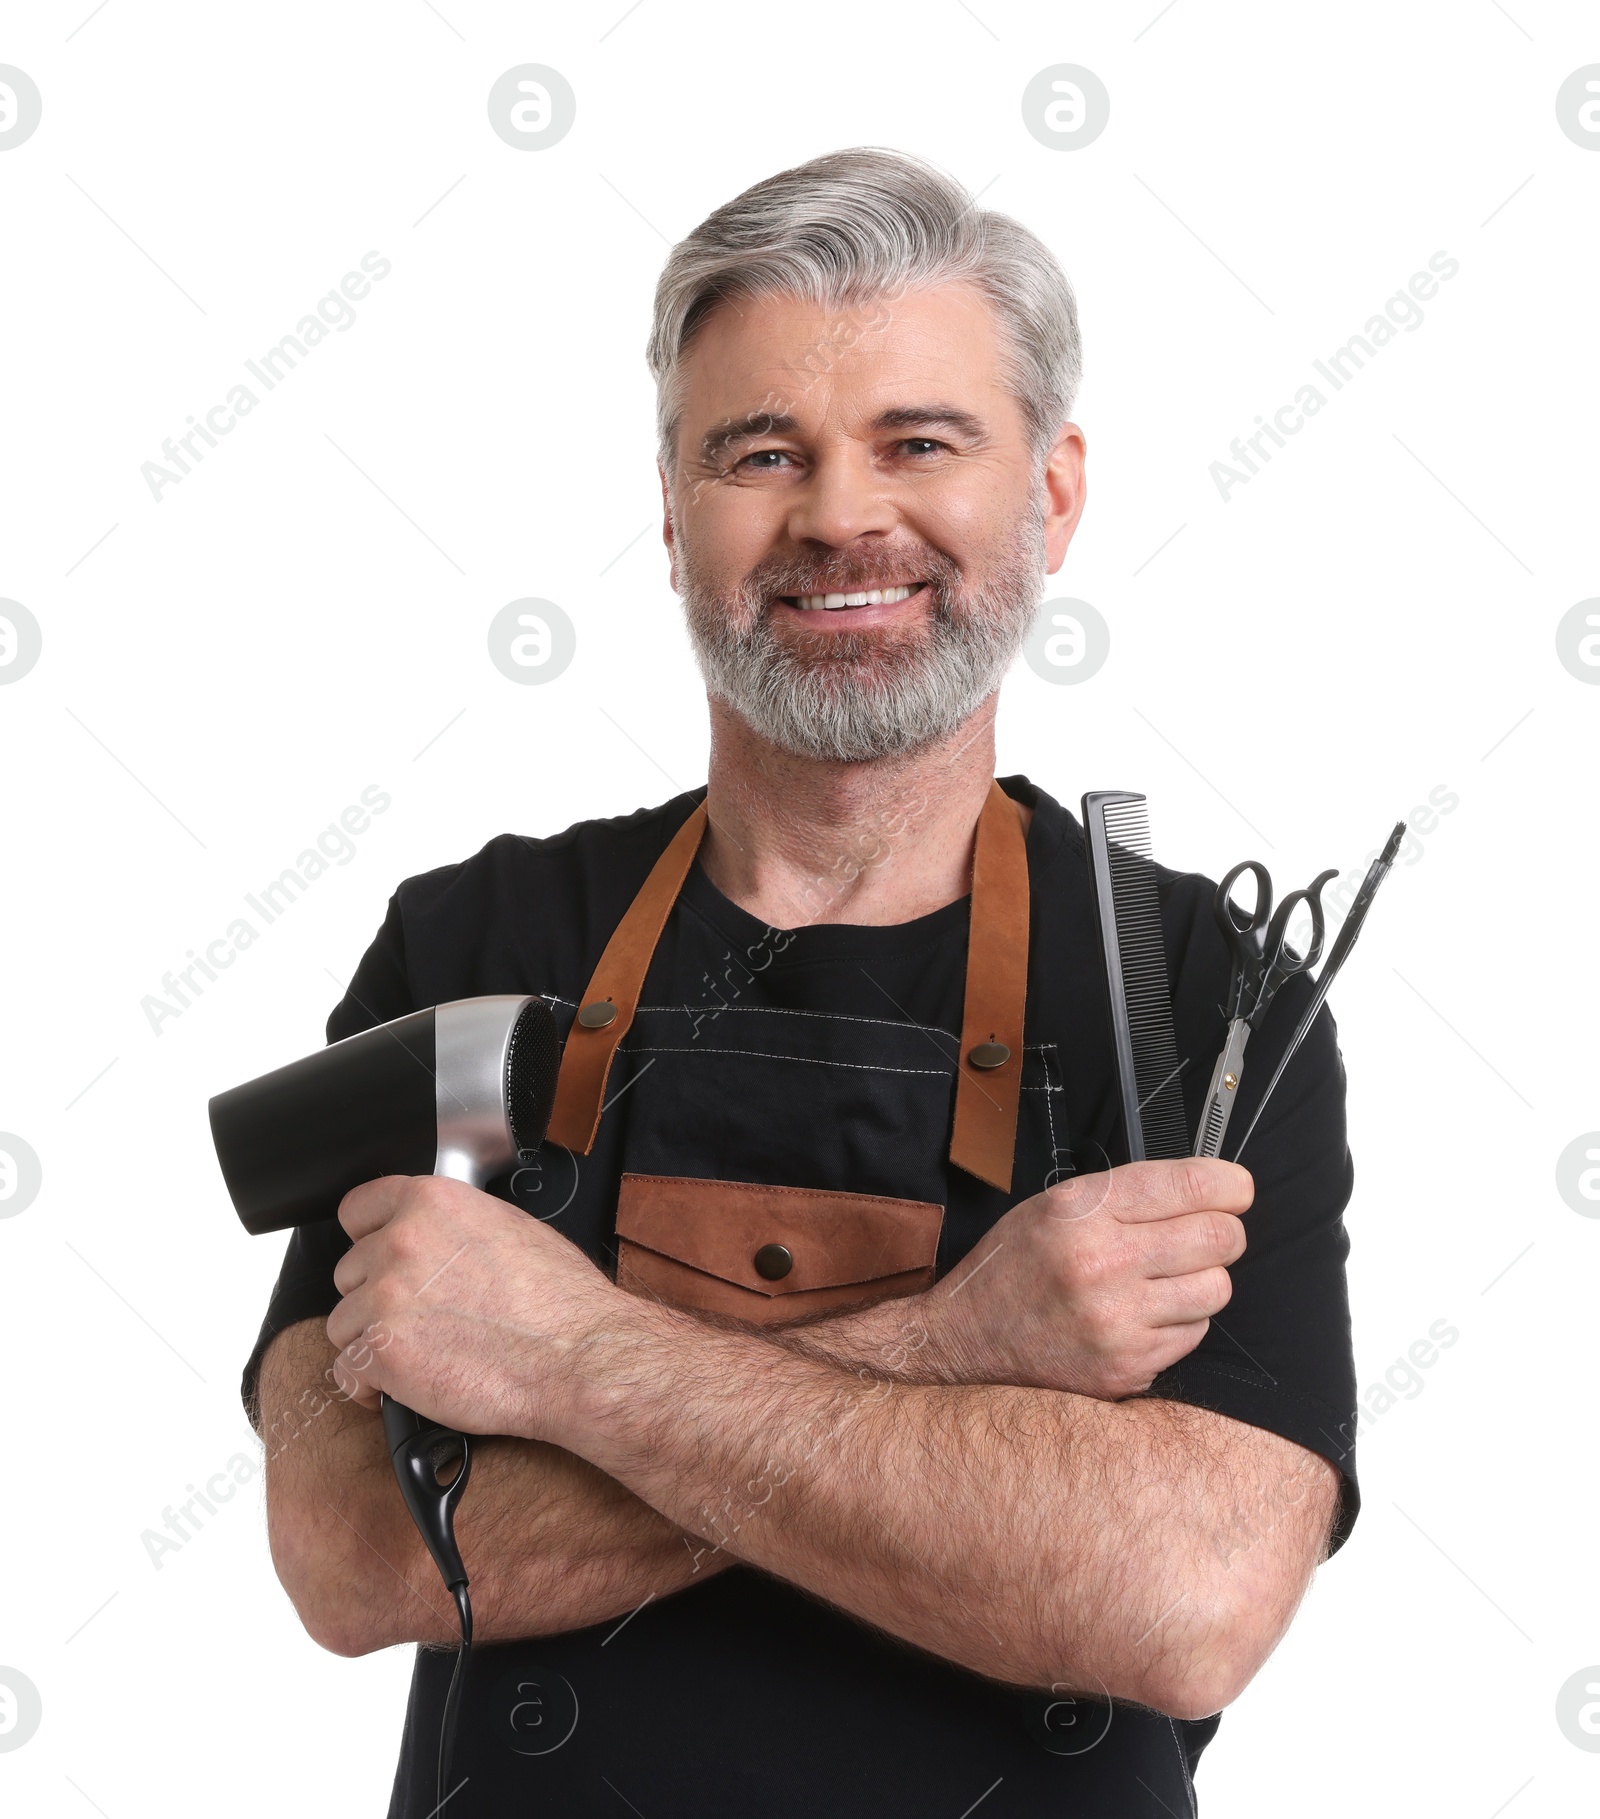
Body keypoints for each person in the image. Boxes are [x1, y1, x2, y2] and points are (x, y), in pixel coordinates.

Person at [245, 146, 1358, 1817]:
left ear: (1050, 492)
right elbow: (350, 1547)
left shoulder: (1206, 998)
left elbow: (1181, 1595)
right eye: (763, 453)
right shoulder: (471, 949)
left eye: (921, 443)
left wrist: (561, 1363)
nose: (842, 514)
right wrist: (966, 1349)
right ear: (676, 515)